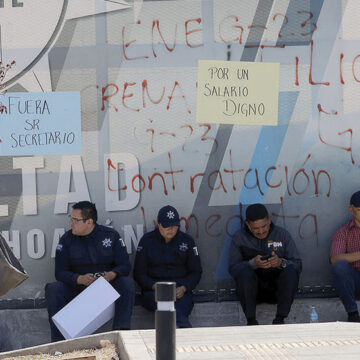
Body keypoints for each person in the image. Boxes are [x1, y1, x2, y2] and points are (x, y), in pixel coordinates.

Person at [45, 201, 135, 342]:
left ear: (89, 222)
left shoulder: (111, 236)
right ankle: (59, 343)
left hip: (105, 288)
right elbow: (60, 273)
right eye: (71, 218)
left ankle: (120, 335)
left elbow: (125, 266)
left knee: (127, 283)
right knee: (53, 288)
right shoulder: (67, 240)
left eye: (75, 220)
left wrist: (111, 275)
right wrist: (78, 279)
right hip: (78, 288)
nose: (71, 223)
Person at [228, 203, 302, 325]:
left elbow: (298, 264)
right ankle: (251, 321)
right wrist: (252, 264)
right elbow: (233, 269)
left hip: (277, 289)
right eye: (256, 228)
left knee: (291, 271)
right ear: (247, 224)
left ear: (269, 220)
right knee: (244, 273)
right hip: (253, 290)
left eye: (264, 226)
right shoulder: (239, 237)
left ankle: (280, 319)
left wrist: (281, 263)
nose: (261, 231)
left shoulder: (282, 235)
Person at [133, 205, 202, 328]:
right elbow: (139, 273)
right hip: (154, 291)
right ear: (159, 224)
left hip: (180, 291)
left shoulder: (187, 241)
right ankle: (182, 335)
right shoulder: (147, 241)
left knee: (179, 310)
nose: (171, 229)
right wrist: (154, 286)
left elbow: (196, 271)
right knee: (169, 310)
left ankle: (179, 338)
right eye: (167, 226)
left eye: (174, 226)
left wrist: (184, 288)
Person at [330, 190, 360, 322]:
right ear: (351, 210)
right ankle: (353, 315)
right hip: (355, 283)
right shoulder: (343, 232)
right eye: (359, 209)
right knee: (339, 266)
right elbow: (334, 259)